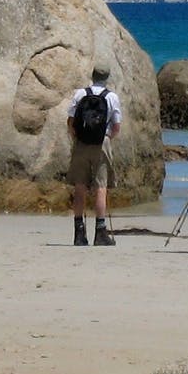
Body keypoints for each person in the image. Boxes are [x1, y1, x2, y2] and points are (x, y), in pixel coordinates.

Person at [66, 63, 123, 247]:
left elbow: (70, 121)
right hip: (102, 143)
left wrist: (76, 137)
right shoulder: (111, 97)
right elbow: (116, 126)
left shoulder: (80, 94)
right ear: (107, 78)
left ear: (92, 76)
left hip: (81, 143)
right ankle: (100, 232)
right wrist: (107, 138)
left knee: (80, 187)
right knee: (101, 187)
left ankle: (79, 233)